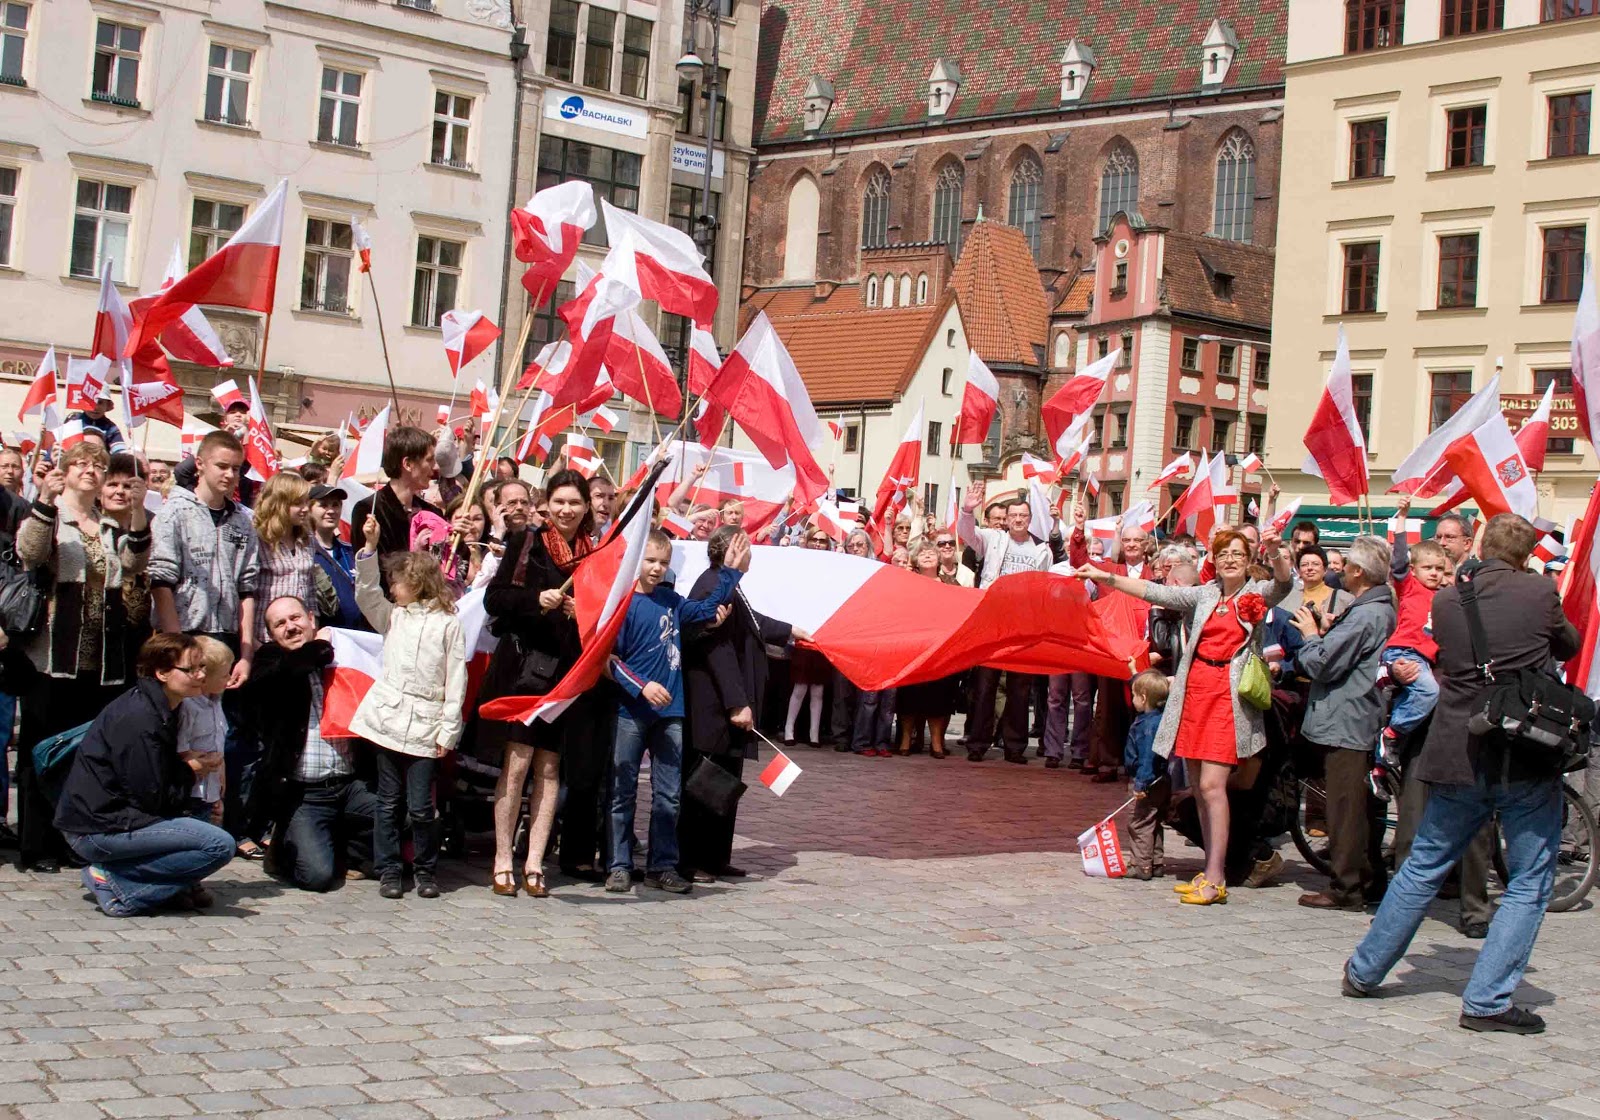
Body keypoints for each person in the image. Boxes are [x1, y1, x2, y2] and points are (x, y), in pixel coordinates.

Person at [1345, 514, 1580, 1035]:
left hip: (1458, 749)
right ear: (1523, 556)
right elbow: (1568, 645)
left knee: (1423, 866)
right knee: (1528, 880)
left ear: (1480, 547)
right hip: (1523, 752)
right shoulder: (1539, 593)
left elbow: (1450, 656)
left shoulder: (1449, 599)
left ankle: (1364, 971)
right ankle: (1488, 1000)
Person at [1077, 524, 1294, 905]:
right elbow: (1155, 591)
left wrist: (1276, 553)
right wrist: (1105, 576)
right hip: (1195, 691)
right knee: (1197, 787)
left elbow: (1284, 584)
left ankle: (1216, 877)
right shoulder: (1205, 594)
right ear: (1214, 559)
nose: (1230, 560)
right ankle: (1210, 869)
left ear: (1248, 561)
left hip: (1229, 697)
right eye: (1224, 554)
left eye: (1238, 555)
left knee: (1213, 787)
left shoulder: (1256, 594)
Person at [13, 441, 152, 872]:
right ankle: (36, 845)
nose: (91, 470)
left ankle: (73, 836)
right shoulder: (52, 518)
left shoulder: (109, 526)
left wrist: (139, 511)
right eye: (82, 464)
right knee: (41, 751)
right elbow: (30, 554)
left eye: (99, 464)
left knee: (83, 755)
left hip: (100, 662)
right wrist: (44, 500)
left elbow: (134, 563)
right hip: (52, 658)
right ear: (67, 471)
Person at [605, 529, 747, 895]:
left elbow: (702, 609)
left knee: (668, 794)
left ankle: (662, 865)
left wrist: (730, 571)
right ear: (636, 562)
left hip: (672, 712)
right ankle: (619, 864)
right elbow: (609, 661)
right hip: (632, 711)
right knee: (623, 791)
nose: (656, 568)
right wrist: (641, 687)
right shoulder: (622, 604)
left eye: (663, 563)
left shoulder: (670, 599)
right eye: (649, 561)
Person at [54, 632, 234, 915]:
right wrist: (191, 773)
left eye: (202, 667)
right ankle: (120, 886)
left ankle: (161, 886)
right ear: (162, 673)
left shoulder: (166, 706)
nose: (201, 674)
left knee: (202, 831)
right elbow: (149, 795)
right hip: (98, 828)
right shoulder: (140, 719)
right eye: (192, 669)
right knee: (218, 844)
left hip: (122, 818)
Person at [481, 470, 597, 897]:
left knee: (549, 768)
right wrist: (536, 600)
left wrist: (577, 610)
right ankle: (501, 859)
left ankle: (534, 862)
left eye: (575, 503)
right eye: (560, 501)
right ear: (547, 504)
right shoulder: (526, 540)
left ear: (586, 507)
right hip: (526, 668)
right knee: (516, 765)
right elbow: (496, 598)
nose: (567, 510)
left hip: (567, 672)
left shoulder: (593, 552)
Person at [681, 525, 805, 883]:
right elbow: (716, 650)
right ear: (733, 549)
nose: (752, 553)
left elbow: (755, 622)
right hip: (714, 707)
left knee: (726, 782)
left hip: (727, 706)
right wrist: (737, 703)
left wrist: (791, 630)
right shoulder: (712, 584)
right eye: (747, 546)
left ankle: (717, 857)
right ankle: (695, 859)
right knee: (705, 785)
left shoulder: (730, 585)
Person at [351, 528, 466, 901]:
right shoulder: (394, 617)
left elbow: (455, 679)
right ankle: (388, 869)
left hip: (426, 722)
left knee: (421, 806)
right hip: (389, 716)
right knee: (388, 801)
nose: (392, 589)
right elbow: (366, 594)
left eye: (397, 582)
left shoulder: (448, 624)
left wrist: (448, 730)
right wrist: (369, 549)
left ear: (416, 583)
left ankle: (426, 868)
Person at [1291, 535, 1399, 911]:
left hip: (1349, 718)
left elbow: (1322, 663)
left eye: (1347, 566)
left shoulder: (1369, 612)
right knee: (1359, 807)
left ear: (1357, 572)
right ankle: (1367, 879)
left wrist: (1309, 637)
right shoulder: (1373, 608)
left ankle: (1346, 886)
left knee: (1345, 808)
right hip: (1357, 716)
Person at [242, 595, 378, 891]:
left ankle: (342, 844)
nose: (290, 627)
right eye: (280, 624)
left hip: (350, 784)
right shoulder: (269, 662)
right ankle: (282, 847)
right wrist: (321, 644)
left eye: (295, 618)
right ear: (271, 635)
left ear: (311, 619)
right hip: (304, 793)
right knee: (317, 877)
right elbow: (292, 668)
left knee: (408, 820)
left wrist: (331, 646)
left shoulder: (341, 654)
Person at [958, 481, 1052, 764]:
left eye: (1023, 516)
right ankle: (978, 744)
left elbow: (1044, 588)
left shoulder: (1041, 551)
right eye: (1013, 516)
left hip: (1022, 625)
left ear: (1030, 519)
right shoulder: (993, 539)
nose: (1018, 520)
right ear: (1007, 519)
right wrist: (967, 510)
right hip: (993, 620)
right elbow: (967, 534)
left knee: (1019, 688)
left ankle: (1014, 746)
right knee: (985, 685)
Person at [1069, 505, 1151, 781]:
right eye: (1126, 540)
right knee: (1107, 707)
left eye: (1137, 540)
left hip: (1144, 652)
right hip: (1112, 651)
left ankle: (1138, 763)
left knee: (1142, 706)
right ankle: (1107, 762)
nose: (1131, 545)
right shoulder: (1109, 570)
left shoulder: (1156, 575)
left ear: (1146, 545)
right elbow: (1079, 560)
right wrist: (1079, 530)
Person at [1377, 497, 1447, 774]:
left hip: (1423, 657)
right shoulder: (1410, 588)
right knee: (1430, 692)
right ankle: (1392, 733)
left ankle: (1380, 765)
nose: (1434, 573)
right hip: (1404, 651)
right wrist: (1402, 519)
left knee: (1416, 699)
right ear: (1415, 570)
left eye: (1439, 569)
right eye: (1428, 567)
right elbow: (1398, 559)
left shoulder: (1443, 598)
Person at [895, 542, 958, 758]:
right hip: (913, 648)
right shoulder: (905, 583)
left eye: (932, 552)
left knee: (939, 697)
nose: (928, 555)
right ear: (915, 560)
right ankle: (905, 740)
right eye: (922, 553)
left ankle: (937, 743)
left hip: (941, 649)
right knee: (909, 695)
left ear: (940, 559)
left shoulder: (951, 584)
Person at [349, 426, 443, 569]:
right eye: (429, 460)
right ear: (408, 464)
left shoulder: (432, 512)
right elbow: (373, 570)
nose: (435, 467)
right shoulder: (370, 510)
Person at [252, 472, 316, 645]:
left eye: (306, 502)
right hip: (265, 637)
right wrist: (250, 641)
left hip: (301, 636)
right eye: (297, 503)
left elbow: (310, 587)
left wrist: (314, 627)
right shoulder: (257, 538)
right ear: (279, 503)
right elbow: (244, 591)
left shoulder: (307, 537)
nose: (305, 508)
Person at [176, 636, 233, 826]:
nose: (229, 678)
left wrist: (220, 772)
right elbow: (180, 746)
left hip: (211, 787)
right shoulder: (189, 707)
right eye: (225, 675)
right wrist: (195, 760)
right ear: (204, 678)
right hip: (192, 791)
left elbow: (218, 741)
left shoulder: (217, 704)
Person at [1124, 670, 1170, 880]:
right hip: (1162, 781)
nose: (1132, 700)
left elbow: (1147, 758)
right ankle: (1156, 862)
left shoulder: (1147, 727)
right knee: (1154, 820)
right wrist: (1134, 673)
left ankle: (1140, 865)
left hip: (1147, 781)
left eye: (1134, 695)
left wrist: (1140, 784)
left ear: (1143, 698)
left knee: (1139, 822)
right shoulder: (1159, 718)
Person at [307, 483, 363, 630]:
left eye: (336, 505)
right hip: (327, 639)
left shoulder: (351, 551)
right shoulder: (305, 554)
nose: (331, 511)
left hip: (359, 637)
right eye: (323, 505)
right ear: (309, 509)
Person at [1280, 545, 1351, 624]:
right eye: (1304, 564)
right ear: (1298, 571)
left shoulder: (1344, 599)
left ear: (1325, 569)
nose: (1310, 568)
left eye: (1315, 564)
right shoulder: (1287, 597)